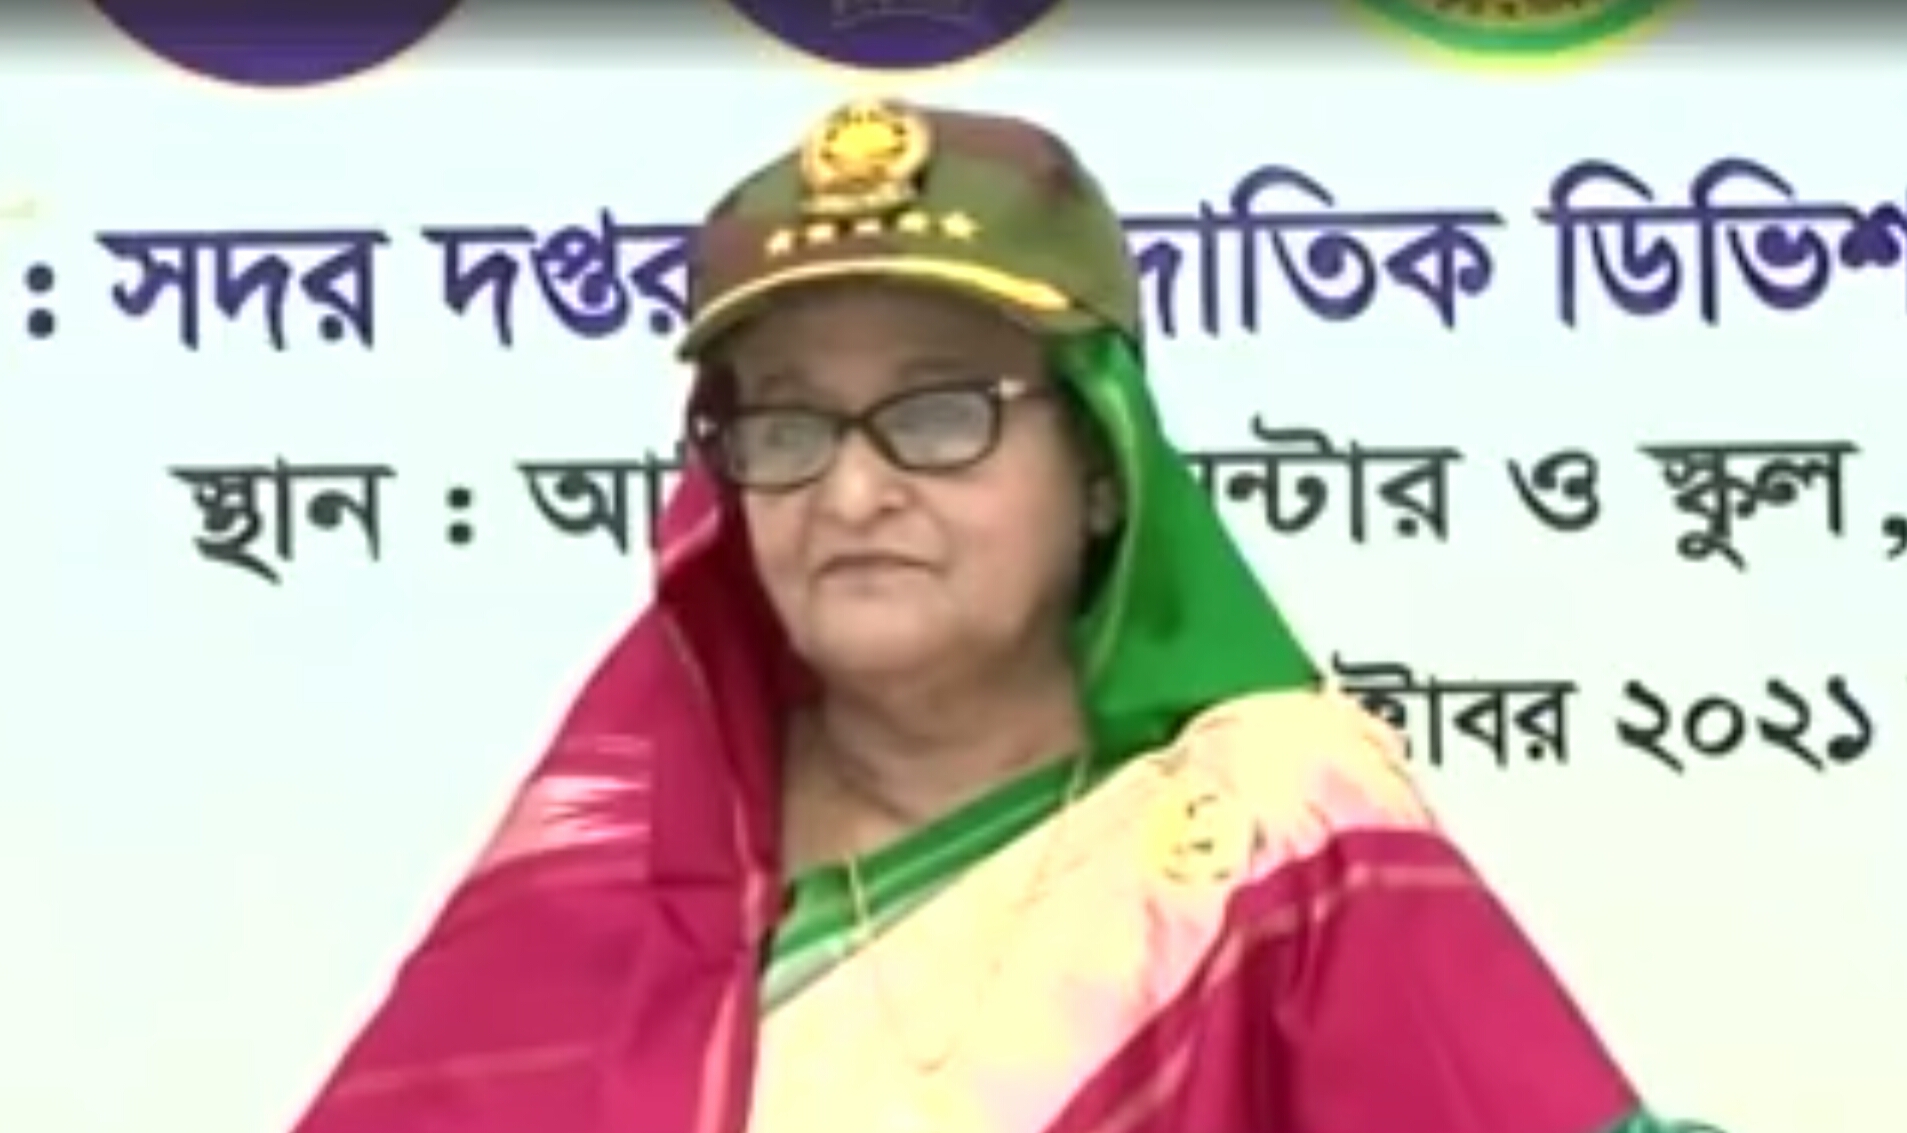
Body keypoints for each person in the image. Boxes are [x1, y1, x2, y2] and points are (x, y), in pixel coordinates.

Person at [289, 99, 1725, 1133]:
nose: (852, 490)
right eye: (785, 423)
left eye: (938, 412)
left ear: (1102, 466)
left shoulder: (1264, 840)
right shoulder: (610, 883)